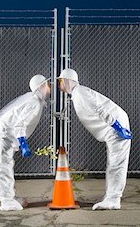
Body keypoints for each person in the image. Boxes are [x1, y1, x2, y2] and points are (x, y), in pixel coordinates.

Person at [57, 68, 133, 210]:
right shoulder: (77, 93)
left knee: (116, 164)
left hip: (115, 125)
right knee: (114, 163)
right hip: (113, 126)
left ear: (67, 81)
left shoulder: (79, 93)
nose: (59, 85)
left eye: (60, 81)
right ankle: (110, 196)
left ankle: (113, 200)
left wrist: (118, 127)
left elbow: (100, 109)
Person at [0, 74, 51, 211]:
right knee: (3, 167)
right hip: (4, 135)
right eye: (47, 85)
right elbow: (20, 125)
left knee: (6, 165)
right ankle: (7, 202)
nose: (49, 88)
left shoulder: (34, 99)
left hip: (4, 134)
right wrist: (23, 144)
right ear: (41, 86)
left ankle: (10, 197)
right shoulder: (34, 102)